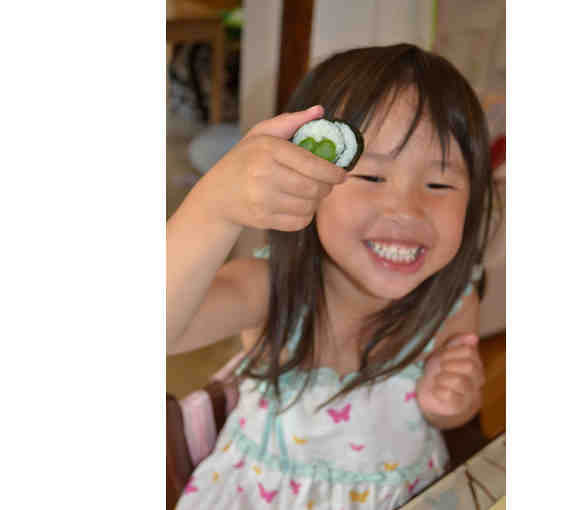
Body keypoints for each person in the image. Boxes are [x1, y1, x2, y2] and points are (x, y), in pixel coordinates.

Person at [167, 43, 493, 510]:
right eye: (371, 177)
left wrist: (448, 404)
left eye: (439, 184)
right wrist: (213, 207)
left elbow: (452, 412)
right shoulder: (271, 287)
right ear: (309, 183)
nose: (406, 210)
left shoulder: (455, 301)